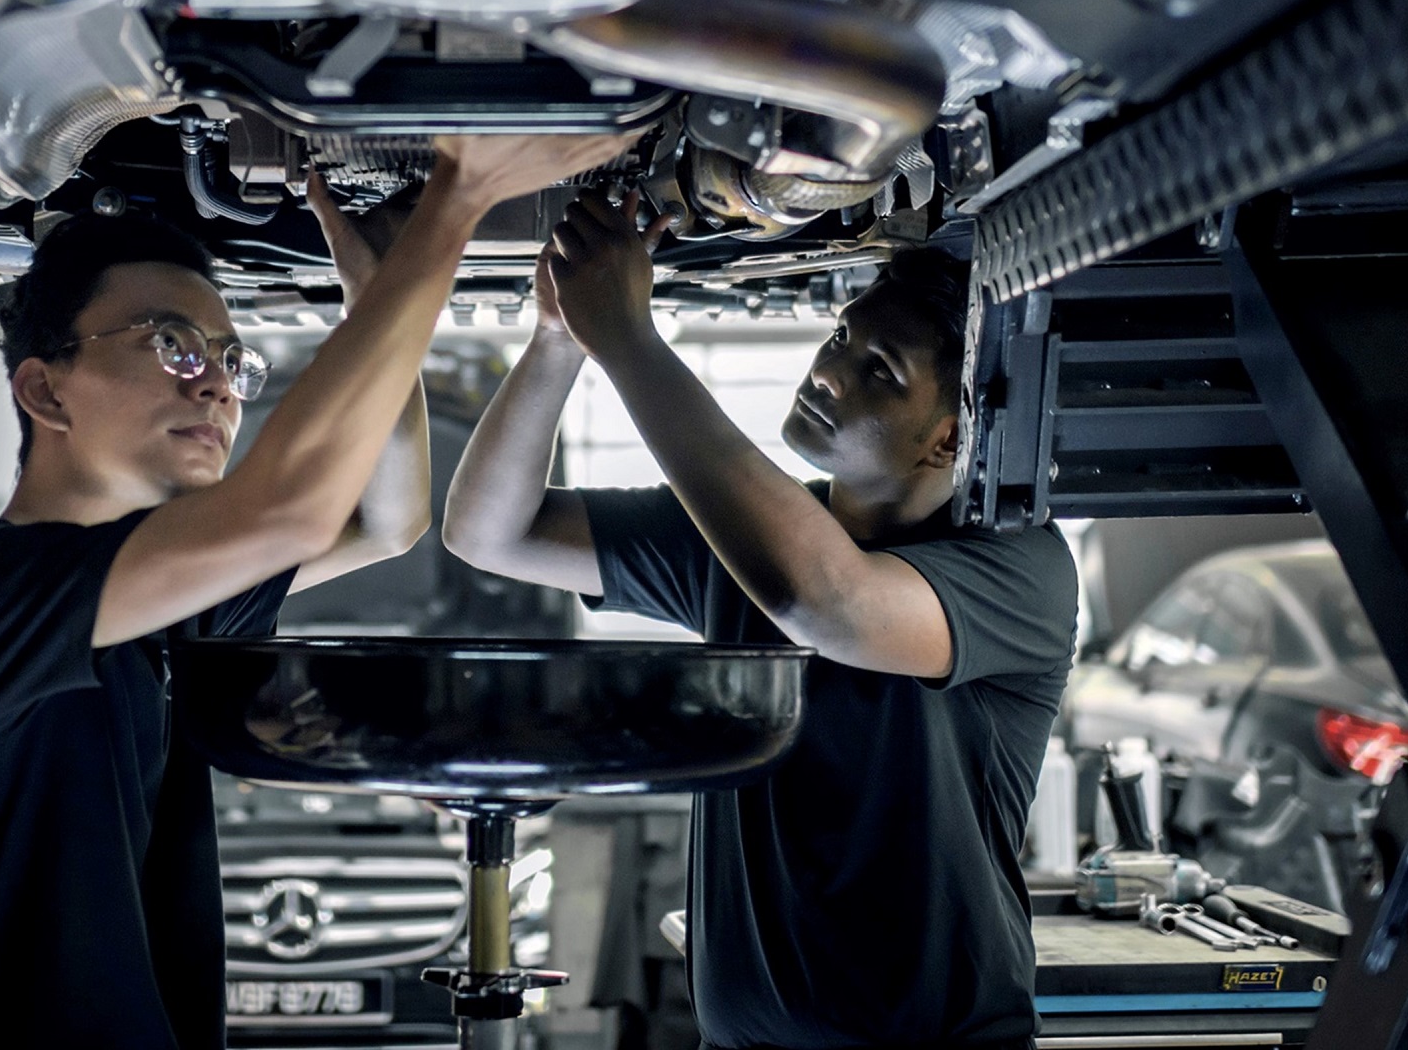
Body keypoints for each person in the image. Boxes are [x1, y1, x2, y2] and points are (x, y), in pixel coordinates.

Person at [0, 133, 629, 1049]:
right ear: (46, 391)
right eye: (173, 346)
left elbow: (387, 518)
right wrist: (455, 202)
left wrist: (374, 294)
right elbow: (292, 511)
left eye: (231, 360)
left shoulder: (168, 604)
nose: (220, 388)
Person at [443, 194, 1078, 1050]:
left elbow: (829, 605)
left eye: (881, 372)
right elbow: (490, 531)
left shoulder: (1017, 563)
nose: (830, 372)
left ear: (947, 438)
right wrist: (562, 340)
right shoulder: (743, 541)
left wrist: (630, 342)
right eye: (843, 337)